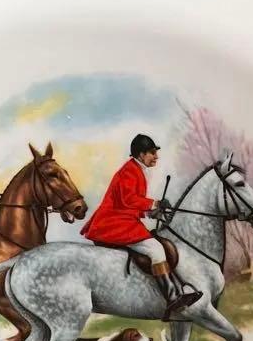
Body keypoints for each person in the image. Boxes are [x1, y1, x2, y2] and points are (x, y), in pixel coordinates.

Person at [81, 133, 202, 319]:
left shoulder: (136, 169)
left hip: (122, 219)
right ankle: (172, 297)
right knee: (156, 249)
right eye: (152, 152)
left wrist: (150, 213)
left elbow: (129, 205)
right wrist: (155, 203)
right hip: (113, 223)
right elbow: (129, 199)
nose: (156, 157)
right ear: (141, 154)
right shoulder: (130, 171)